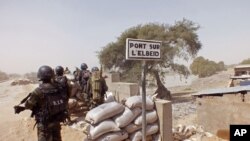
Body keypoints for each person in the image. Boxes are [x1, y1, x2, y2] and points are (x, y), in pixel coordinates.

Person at [14, 65, 68, 141]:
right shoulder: (58, 88)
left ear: (40, 76)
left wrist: (21, 108)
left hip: (44, 124)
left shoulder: (38, 91)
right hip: (56, 121)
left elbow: (29, 105)